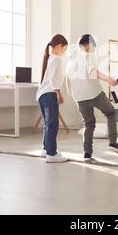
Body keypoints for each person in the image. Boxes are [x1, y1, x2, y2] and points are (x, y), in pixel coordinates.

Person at [66, 34, 118, 161]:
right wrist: (109, 80)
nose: (94, 49)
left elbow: (67, 81)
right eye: (94, 46)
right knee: (110, 112)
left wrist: (73, 94)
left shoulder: (71, 61)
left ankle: (87, 154)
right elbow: (93, 72)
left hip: (79, 98)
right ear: (88, 44)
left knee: (89, 124)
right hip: (94, 94)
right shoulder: (87, 56)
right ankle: (113, 142)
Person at [36, 34, 69, 163]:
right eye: (65, 49)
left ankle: (46, 149)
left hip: (42, 95)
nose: (64, 52)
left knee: (47, 124)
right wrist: (58, 93)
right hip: (50, 94)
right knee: (53, 125)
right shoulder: (56, 59)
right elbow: (53, 79)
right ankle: (51, 154)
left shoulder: (51, 58)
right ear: (59, 46)